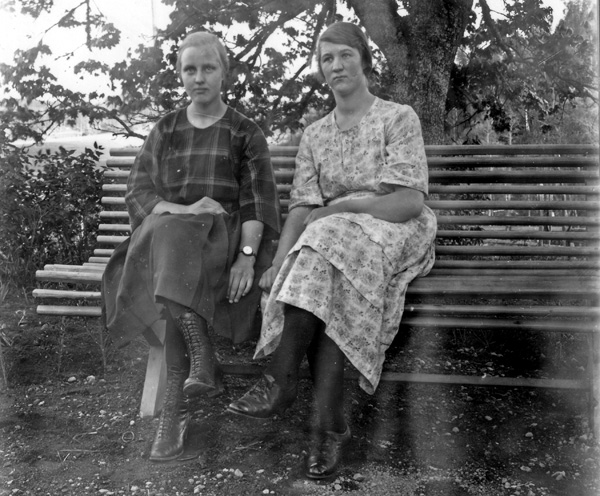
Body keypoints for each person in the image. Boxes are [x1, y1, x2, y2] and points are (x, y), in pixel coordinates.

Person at [227, 22, 437, 480]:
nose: (336, 65)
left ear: (365, 60)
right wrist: (280, 261)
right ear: (320, 70)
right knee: (322, 266)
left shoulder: (397, 118)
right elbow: (304, 208)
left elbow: (409, 201)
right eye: (327, 59)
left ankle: (281, 379)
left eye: (345, 55)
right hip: (330, 242)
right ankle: (329, 426)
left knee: (326, 242)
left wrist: (343, 208)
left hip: (392, 226)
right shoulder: (315, 134)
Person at [102, 31, 280, 462]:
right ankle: (200, 359)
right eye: (190, 69)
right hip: (165, 245)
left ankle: (175, 410)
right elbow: (139, 193)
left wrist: (246, 258)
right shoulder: (166, 128)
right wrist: (183, 211)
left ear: (224, 73)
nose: (199, 77)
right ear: (180, 75)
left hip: (219, 244)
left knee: (172, 260)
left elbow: (258, 203)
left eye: (208, 68)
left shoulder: (244, 131)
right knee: (169, 234)